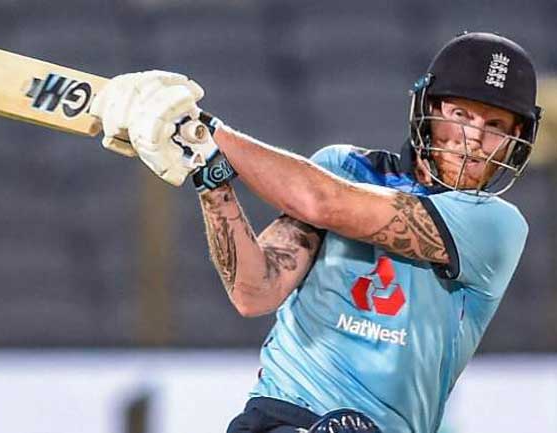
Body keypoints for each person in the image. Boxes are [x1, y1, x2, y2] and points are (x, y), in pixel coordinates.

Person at [89, 32, 542, 433]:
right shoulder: (343, 167)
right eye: (461, 114)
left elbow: (322, 201)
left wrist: (204, 131)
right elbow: (255, 291)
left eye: (495, 126)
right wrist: (210, 175)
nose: (474, 138)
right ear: (429, 109)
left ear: (516, 140)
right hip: (280, 412)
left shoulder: (495, 226)